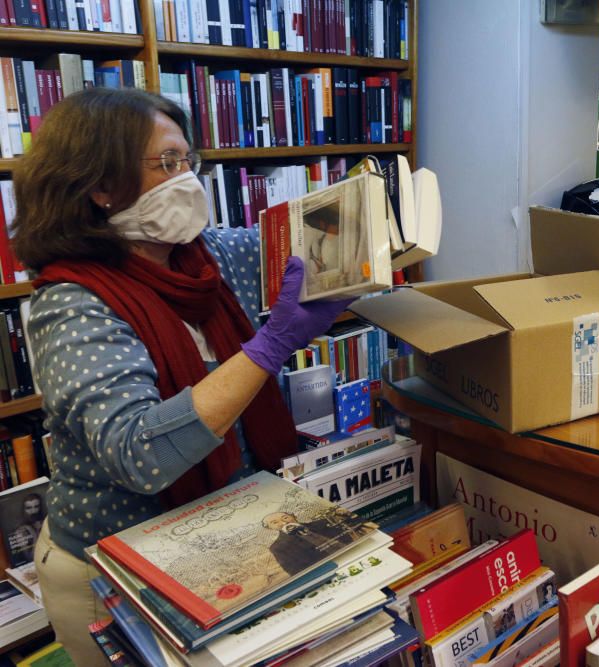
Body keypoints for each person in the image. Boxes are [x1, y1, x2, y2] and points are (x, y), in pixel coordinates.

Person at [13, 88, 349, 665]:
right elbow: (139, 454)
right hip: (113, 576)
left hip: (224, 540)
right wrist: (269, 347)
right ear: (101, 184)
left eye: (187, 161)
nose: (186, 180)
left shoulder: (209, 258)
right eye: (165, 164)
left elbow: (321, 239)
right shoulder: (69, 303)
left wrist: (367, 227)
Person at [261, 511, 354, 576]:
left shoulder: (322, 523)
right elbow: (295, 571)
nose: (284, 522)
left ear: (294, 516)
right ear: (270, 528)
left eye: (285, 517)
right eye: (275, 522)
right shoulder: (278, 548)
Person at [6, 492, 45, 566]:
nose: (33, 511)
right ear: (23, 510)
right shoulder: (20, 531)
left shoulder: (46, 522)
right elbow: (31, 558)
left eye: (36, 506)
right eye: (28, 508)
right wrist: (34, 533)